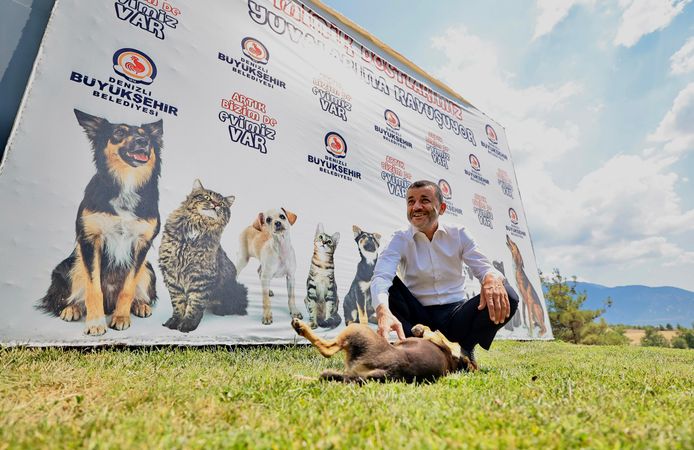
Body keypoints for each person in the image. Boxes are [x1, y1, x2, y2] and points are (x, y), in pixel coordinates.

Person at [370, 180, 519, 366]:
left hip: (455, 316)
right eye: (410, 201)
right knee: (386, 286)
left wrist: (490, 278)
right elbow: (382, 276)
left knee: (509, 295)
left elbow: (485, 268)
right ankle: (414, 346)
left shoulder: (459, 234)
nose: (416, 207)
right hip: (417, 319)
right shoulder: (399, 238)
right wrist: (382, 310)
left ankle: (464, 348)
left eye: (424, 200)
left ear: (441, 208)